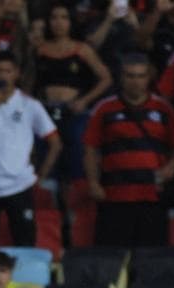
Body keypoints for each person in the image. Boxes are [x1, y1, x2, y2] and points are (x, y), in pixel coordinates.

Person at [85, 54, 174, 247]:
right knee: (114, 256)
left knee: (151, 256)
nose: (136, 81)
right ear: (121, 78)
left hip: (152, 195)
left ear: (148, 78)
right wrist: (93, 183)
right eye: (130, 76)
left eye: (140, 76)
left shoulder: (163, 108)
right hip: (114, 195)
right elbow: (91, 149)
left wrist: (172, 166)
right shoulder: (104, 108)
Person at [0, 51, 59, 249]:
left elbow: (55, 142)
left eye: (7, 71)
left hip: (19, 184)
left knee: (25, 243)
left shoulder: (30, 105)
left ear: (16, 74)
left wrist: (41, 175)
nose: (2, 75)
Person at [33, 3, 111, 181]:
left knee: (76, 156)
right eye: (54, 18)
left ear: (71, 22)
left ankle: (73, 202)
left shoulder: (83, 49)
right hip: (46, 111)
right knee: (44, 158)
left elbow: (106, 78)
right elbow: (31, 82)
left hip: (74, 111)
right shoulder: (40, 49)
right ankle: (48, 201)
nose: (58, 23)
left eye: (64, 18)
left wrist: (85, 100)